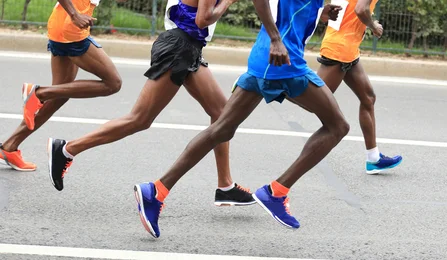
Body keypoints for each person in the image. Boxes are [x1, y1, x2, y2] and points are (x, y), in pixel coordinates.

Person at [133, 0, 347, 238]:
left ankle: (156, 190)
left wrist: (320, 12)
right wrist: (276, 39)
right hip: (283, 63)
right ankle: (277, 192)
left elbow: (289, 8)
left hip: (263, 61)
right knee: (337, 127)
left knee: (221, 130)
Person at [47, 0, 255, 209]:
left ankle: (225, 186)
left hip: (188, 46)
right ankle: (67, 149)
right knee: (139, 119)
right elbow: (202, 20)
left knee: (222, 114)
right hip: (179, 47)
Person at [0, 0, 122, 172]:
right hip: (71, 27)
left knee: (59, 96)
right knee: (113, 83)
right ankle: (39, 93)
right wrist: (74, 14)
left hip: (65, 25)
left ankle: (10, 146)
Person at [311, 0, 402, 174]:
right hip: (339, 51)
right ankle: (275, 84)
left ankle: (374, 158)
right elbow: (361, 9)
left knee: (368, 98)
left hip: (348, 49)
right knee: (312, 100)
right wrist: (374, 25)